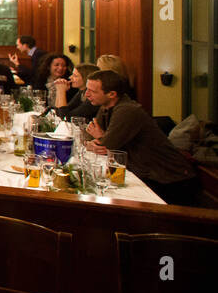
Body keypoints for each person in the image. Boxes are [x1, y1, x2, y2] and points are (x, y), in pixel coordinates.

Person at [85, 71, 198, 205]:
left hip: (170, 180)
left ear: (112, 94)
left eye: (92, 91)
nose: (86, 94)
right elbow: (89, 138)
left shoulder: (127, 111)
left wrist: (101, 139)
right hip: (145, 172)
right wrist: (101, 139)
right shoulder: (106, 106)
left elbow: (104, 146)